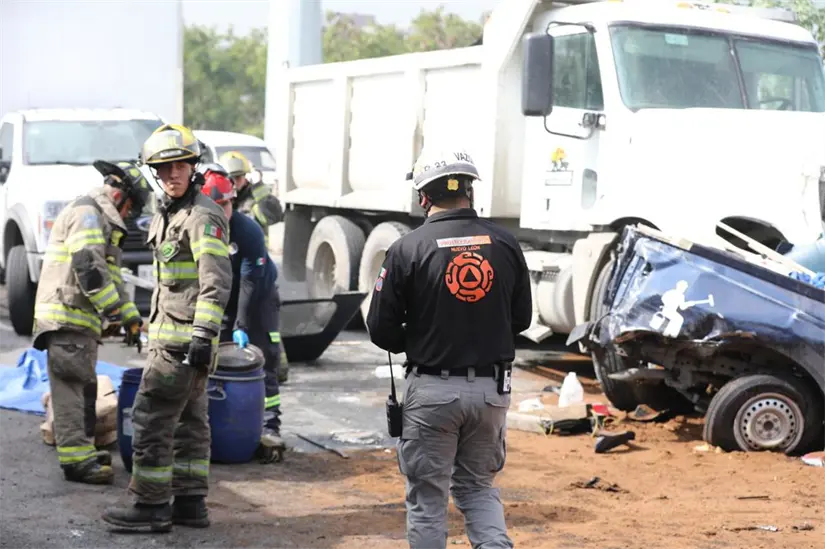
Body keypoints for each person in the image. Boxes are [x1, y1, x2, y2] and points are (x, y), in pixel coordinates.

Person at [365, 148, 532, 549]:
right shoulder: (505, 243)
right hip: (491, 393)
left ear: (423, 196)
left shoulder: (407, 248)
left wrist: (423, 340)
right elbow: (522, 319)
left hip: (433, 392)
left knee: (428, 500)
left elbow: (380, 328)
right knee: (478, 488)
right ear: (469, 192)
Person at [102, 124, 233, 533]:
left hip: (182, 348)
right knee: (191, 423)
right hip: (178, 345)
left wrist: (202, 335)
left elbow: (216, 282)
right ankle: (190, 505)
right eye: (164, 168)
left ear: (194, 168)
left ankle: (151, 505)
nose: (172, 174)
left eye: (180, 166)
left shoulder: (202, 216)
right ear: (155, 172)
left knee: (151, 421)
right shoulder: (169, 213)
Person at [33, 160, 150, 485]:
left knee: (84, 385)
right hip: (66, 318)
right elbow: (88, 267)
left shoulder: (100, 220)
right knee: (71, 389)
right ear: (119, 195)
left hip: (76, 321)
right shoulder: (88, 214)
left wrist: (129, 315)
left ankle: (83, 451)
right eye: (130, 208)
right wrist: (113, 311)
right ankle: (77, 462)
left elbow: (109, 273)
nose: (128, 215)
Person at [199, 165, 287, 463]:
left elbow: (250, 281)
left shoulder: (247, 231)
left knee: (263, 359)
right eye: (214, 206)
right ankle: (221, 425)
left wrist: (241, 323)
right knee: (215, 362)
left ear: (232, 202)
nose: (220, 212)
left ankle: (270, 426)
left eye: (224, 205)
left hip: (258, 296)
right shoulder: (199, 229)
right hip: (220, 297)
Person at [219, 150, 283, 246]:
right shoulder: (218, 199)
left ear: (245, 177)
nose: (234, 182)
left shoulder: (255, 198)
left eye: (238, 177)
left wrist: (258, 186)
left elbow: (272, 217)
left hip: (254, 251)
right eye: (230, 178)